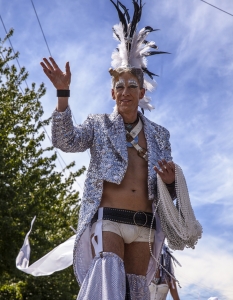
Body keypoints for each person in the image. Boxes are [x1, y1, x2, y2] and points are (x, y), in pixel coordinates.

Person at [40, 1, 202, 299]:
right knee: (108, 276)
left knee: (136, 292)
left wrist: (168, 180)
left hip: (145, 225)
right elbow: (66, 141)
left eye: (131, 86)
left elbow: (166, 189)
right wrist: (63, 95)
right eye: (119, 86)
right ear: (112, 92)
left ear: (141, 92)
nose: (125, 91)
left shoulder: (160, 135)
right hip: (108, 219)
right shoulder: (98, 124)